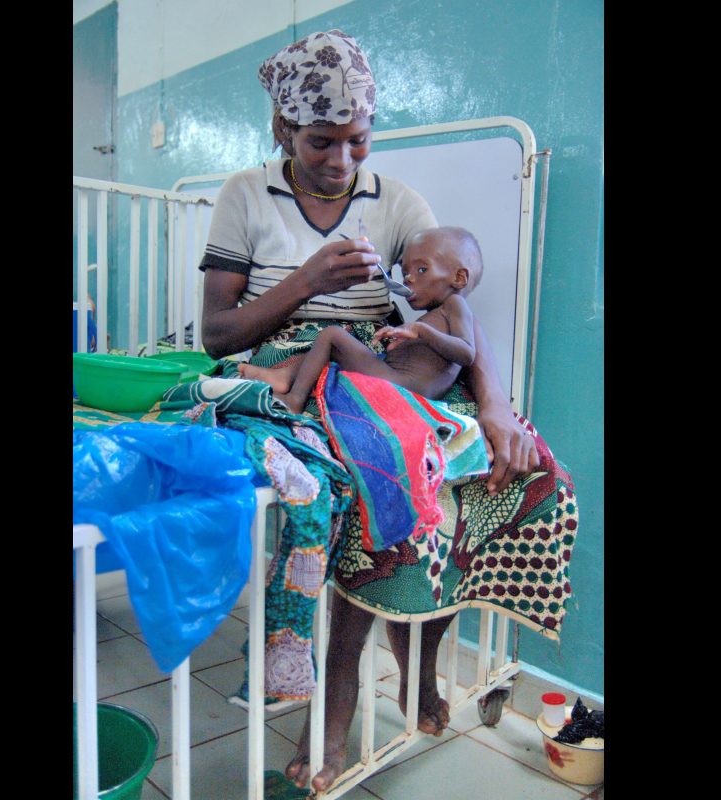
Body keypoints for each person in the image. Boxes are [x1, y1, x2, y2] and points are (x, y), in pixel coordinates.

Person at [199, 30, 575, 794]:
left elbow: (456, 309)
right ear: (283, 130)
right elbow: (216, 333)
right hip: (305, 361)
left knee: (519, 472)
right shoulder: (244, 194)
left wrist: (496, 406)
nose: (342, 160)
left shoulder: (398, 202)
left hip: (391, 367)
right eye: (321, 141)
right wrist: (305, 283)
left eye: (358, 140)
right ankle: (332, 700)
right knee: (374, 480)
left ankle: (418, 656)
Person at [237, 226, 483, 413]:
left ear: (459, 278)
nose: (408, 279)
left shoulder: (455, 305)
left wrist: (420, 331)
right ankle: (286, 376)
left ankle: (294, 399)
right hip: (396, 377)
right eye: (405, 272)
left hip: (404, 386)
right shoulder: (436, 315)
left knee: (332, 336)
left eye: (421, 270)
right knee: (336, 350)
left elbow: (467, 353)